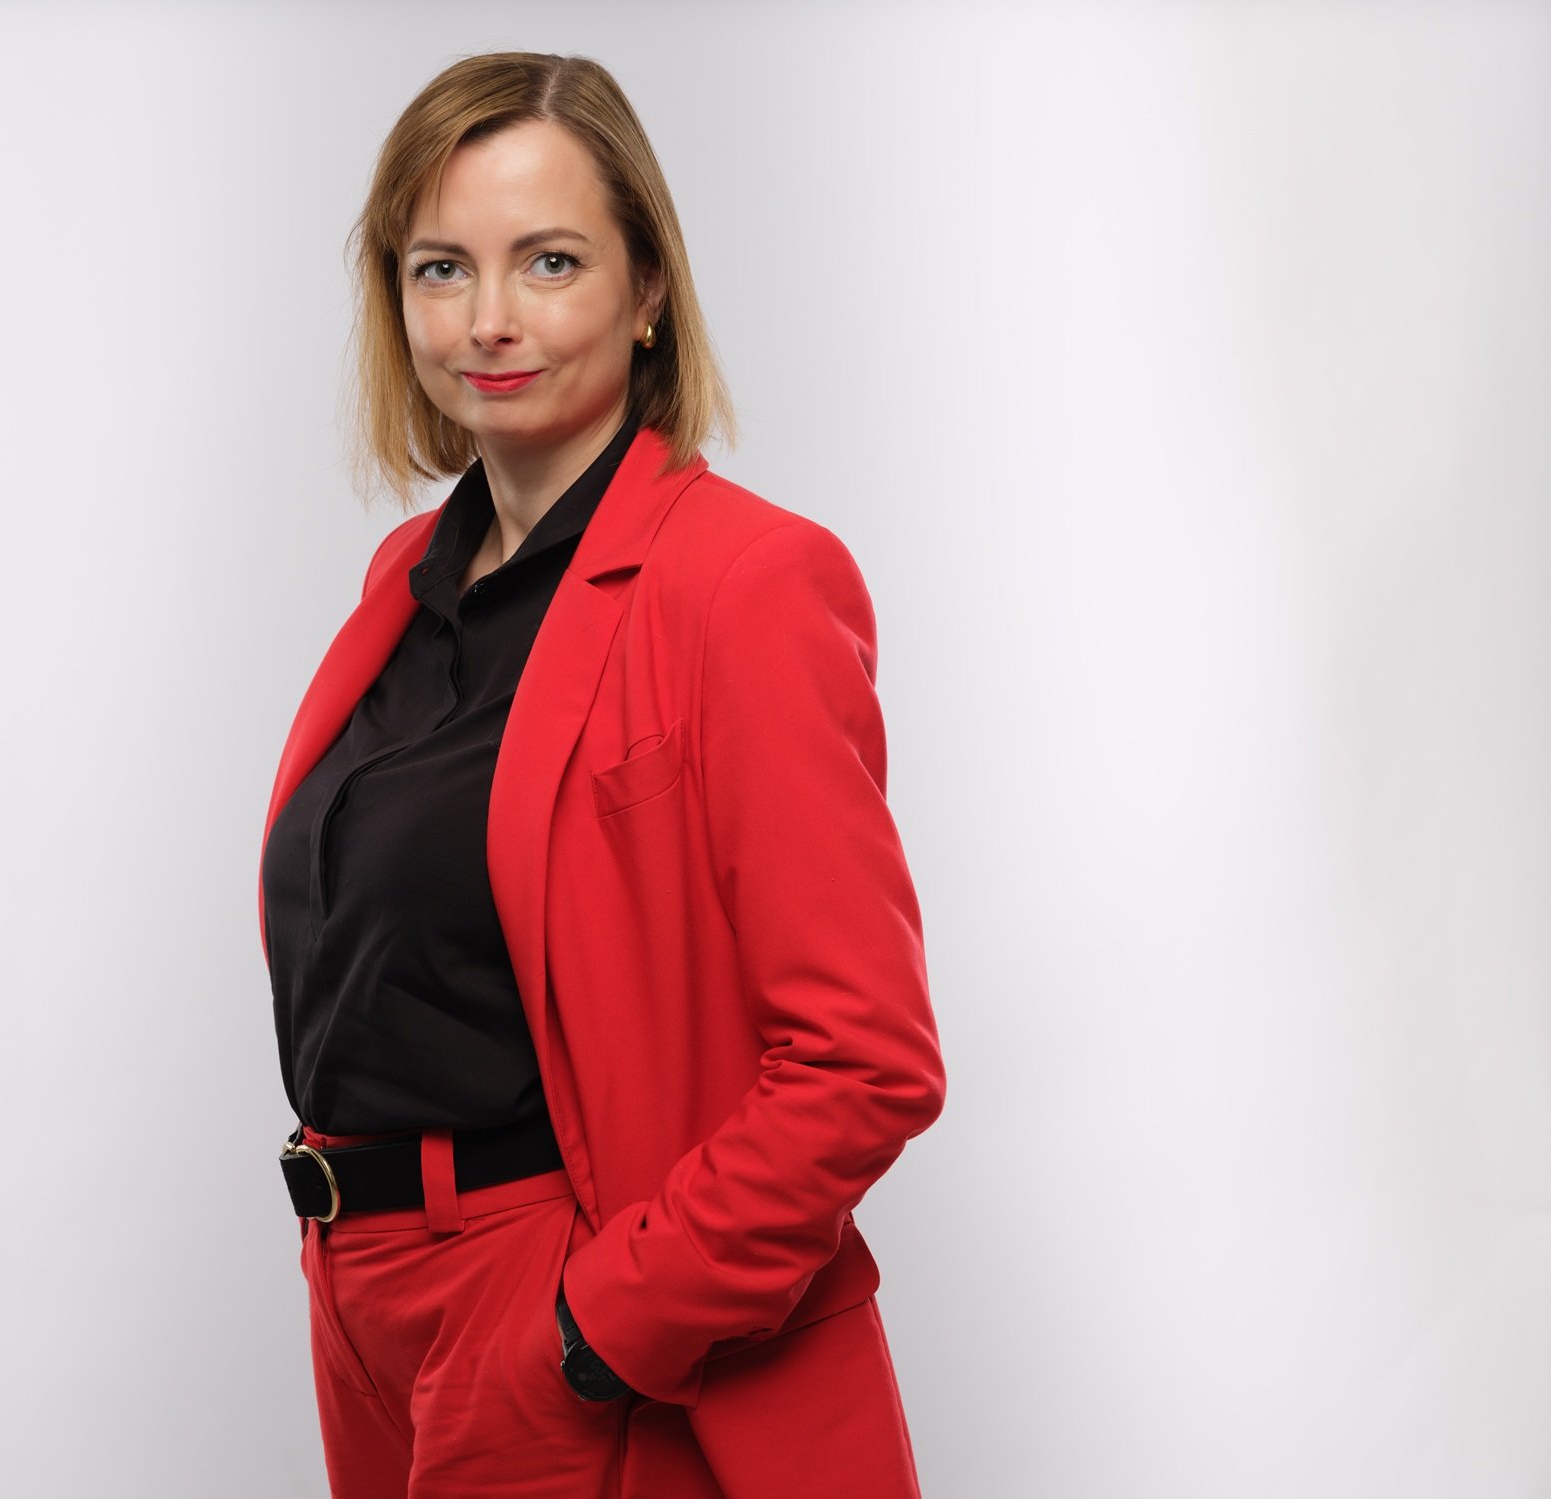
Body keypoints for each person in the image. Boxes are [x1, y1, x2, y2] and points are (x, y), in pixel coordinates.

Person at [255, 50, 946, 1499]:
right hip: (361, 1308)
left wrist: (592, 1329)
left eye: (549, 261)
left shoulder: (745, 584)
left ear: (648, 294)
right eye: (442, 268)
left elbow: (862, 1061)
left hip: (558, 1303)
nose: (488, 319)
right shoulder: (403, 585)